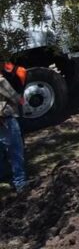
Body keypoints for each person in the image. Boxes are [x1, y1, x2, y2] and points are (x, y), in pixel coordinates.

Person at [0, 59, 28, 194]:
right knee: (15, 150)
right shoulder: (1, 80)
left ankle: (4, 175)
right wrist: (19, 99)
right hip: (5, 117)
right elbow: (13, 95)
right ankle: (20, 182)